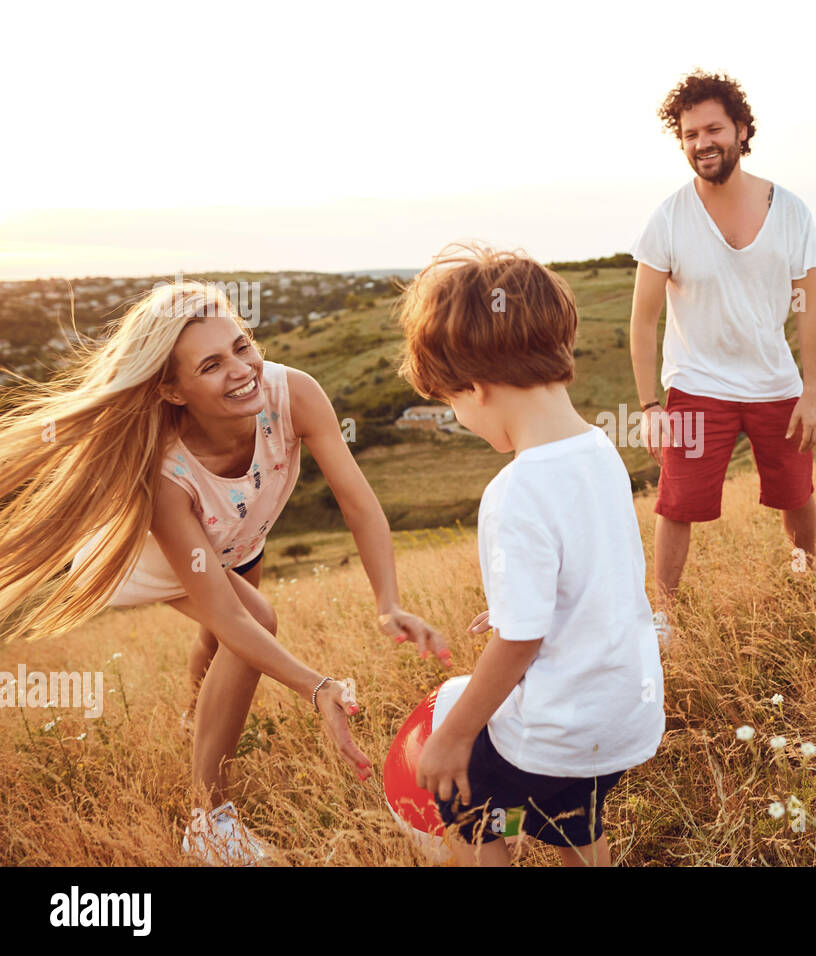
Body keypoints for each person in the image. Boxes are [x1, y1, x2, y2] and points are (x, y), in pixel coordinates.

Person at [0, 280, 448, 865]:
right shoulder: (164, 469)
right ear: (172, 389)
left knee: (221, 643)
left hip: (237, 535)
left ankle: (195, 719)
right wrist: (318, 688)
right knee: (250, 621)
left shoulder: (294, 394)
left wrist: (387, 601)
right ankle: (207, 820)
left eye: (243, 345)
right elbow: (231, 614)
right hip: (153, 557)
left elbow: (358, 502)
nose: (242, 370)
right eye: (211, 364)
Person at [396, 242, 665, 867]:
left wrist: (454, 735)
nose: (460, 418)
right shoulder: (599, 451)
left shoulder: (513, 492)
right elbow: (595, 569)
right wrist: (521, 603)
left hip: (556, 729)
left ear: (477, 387)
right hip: (620, 717)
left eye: (451, 404)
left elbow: (520, 645)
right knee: (571, 818)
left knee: (475, 808)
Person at [628, 69, 816, 609]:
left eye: (712, 130)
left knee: (796, 495)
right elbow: (643, 319)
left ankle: (805, 582)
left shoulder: (789, 211)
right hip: (697, 384)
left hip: (775, 383)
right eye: (690, 135)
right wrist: (650, 405)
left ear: (741, 129)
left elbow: (808, 307)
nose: (702, 144)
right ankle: (664, 614)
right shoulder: (667, 218)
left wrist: (810, 393)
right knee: (677, 504)